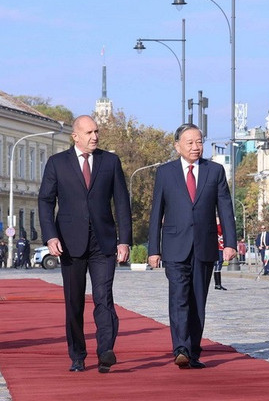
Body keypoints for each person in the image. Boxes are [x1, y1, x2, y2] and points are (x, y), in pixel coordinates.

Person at [38, 115, 132, 373]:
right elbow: (45, 201)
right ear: (75, 136)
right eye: (89, 132)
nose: (95, 137)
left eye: (97, 131)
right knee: (74, 301)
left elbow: (122, 203)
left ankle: (105, 352)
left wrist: (124, 240)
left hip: (103, 243)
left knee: (104, 298)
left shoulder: (110, 161)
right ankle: (77, 354)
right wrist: (50, 235)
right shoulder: (57, 163)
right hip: (70, 243)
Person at [148, 123, 237, 369]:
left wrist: (230, 243)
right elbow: (157, 212)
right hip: (175, 246)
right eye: (189, 142)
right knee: (178, 297)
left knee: (198, 300)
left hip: (205, 245)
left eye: (199, 142)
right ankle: (181, 348)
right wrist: (153, 249)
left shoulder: (215, 171)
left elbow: (225, 209)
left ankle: (194, 351)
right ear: (177, 146)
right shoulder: (165, 173)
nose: (195, 147)